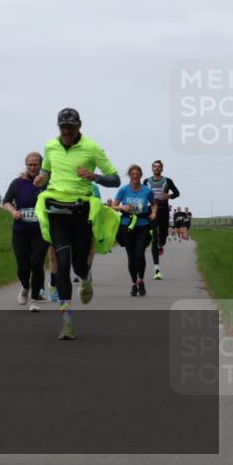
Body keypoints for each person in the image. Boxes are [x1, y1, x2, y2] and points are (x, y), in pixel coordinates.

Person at [34, 108, 121, 340]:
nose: (67, 131)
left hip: (80, 213)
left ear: (79, 125)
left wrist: (94, 177)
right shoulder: (50, 146)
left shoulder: (92, 148)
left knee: (79, 265)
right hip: (56, 212)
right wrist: (41, 178)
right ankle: (67, 321)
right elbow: (46, 170)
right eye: (63, 127)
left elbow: (115, 179)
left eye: (71, 127)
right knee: (62, 264)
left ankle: (85, 277)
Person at [2, 152, 49, 312]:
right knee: (23, 267)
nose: (33, 167)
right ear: (26, 165)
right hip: (21, 231)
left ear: (41, 165)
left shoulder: (47, 184)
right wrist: (13, 212)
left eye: (36, 164)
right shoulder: (17, 183)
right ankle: (25, 286)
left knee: (37, 264)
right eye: (30, 164)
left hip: (41, 232)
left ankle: (34, 300)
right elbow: (6, 201)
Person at [112, 165, 157, 297]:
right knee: (131, 257)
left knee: (139, 254)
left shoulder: (147, 190)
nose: (135, 176)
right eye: (133, 174)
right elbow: (114, 205)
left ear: (140, 175)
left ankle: (141, 280)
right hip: (127, 225)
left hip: (143, 225)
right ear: (130, 175)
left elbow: (154, 204)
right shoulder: (124, 189)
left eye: (137, 174)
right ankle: (134, 283)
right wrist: (123, 208)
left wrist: (154, 213)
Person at [143, 160, 180, 279]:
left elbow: (177, 193)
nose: (157, 168)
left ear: (162, 169)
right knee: (154, 237)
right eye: (155, 166)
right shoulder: (146, 181)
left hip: (164, 210)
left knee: (163, 235)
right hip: (152, 210)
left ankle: (161, 243)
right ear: (152, 168)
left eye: (159, 167)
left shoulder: (168, 181)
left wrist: (169, 196)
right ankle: (157, 270)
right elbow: (143, 195)